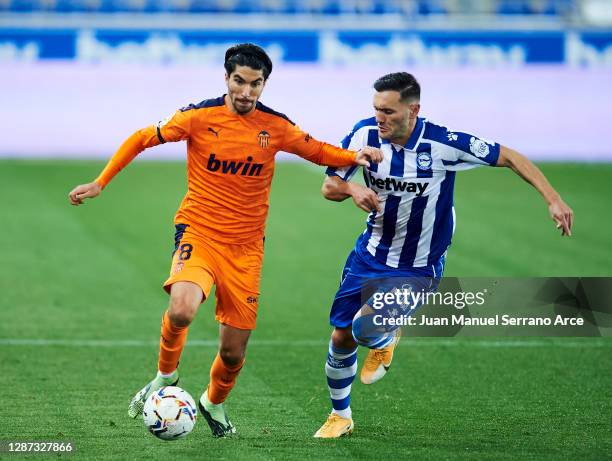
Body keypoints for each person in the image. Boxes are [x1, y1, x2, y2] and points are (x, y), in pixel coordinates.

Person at [67, 43, 382, 438]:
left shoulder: (276, 127)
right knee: (181, 309)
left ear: (264, 85)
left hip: (246, 249)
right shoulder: (198, 117)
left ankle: (213, 401)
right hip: (198, 231)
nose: (246, 92)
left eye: (255, 84)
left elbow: (317, 150)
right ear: (226, 78)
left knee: (233, 352)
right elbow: (142, 138)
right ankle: (166, 374)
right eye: (239, 81)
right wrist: (100, 182)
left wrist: (355, 155)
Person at [314, 72, 573, 438]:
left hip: (419, 265)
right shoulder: (364, 135)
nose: (379, 118)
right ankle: (340, 415)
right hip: (369, 255)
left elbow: (510, 157)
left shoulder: (442, 143)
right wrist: (353, 189)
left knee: (365, 327)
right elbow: (329, 185)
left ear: (413, 110)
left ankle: (386, 336)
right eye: (376, 109)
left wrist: (553, 199)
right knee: (341, 337)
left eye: (388, 111)